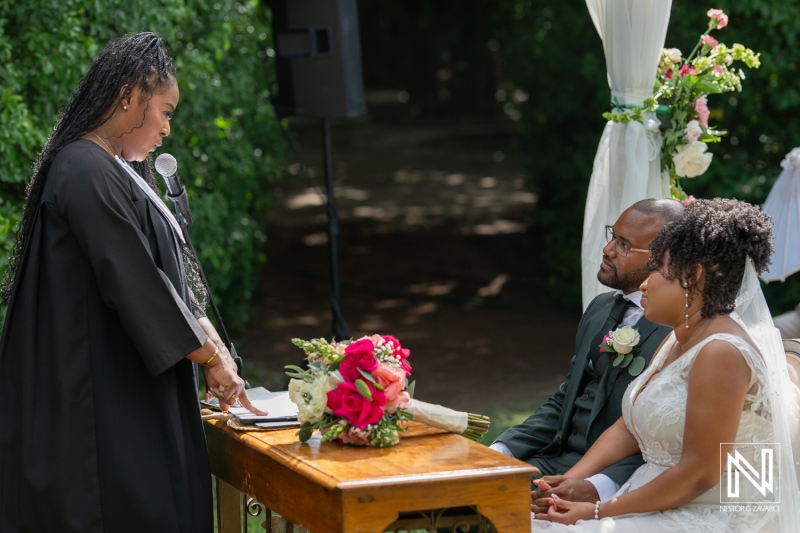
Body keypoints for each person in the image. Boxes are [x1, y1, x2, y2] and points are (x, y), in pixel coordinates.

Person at [0, 32, 263, 533]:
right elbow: (136, 281)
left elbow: (166, 278)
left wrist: (213, 343)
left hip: (125, 381)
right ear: (130, 95)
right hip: (93, 398)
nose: (166, 129)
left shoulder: (111, 170)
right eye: (164, 111)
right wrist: (210, 356)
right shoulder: (81, 167)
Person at [532, 198, 800, 532]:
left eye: (657, 269)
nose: (644, 283)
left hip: (712, 513)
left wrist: (598, 511)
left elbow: (700, 474)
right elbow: (628, 425)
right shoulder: (678, 338)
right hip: (652, 498)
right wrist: (571, 481)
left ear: (693, 275)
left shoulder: (721, 352)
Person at [491, 198, 685, 509]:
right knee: (462, 495)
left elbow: (663, 439)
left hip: (613, 478)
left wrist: (594, 487)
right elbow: (566, 398)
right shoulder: (600, 309)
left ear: (663, 260)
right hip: (553, 461)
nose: (608, 249)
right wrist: (503, 450)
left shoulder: (678, 333)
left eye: (623, 245)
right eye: (613, 235)